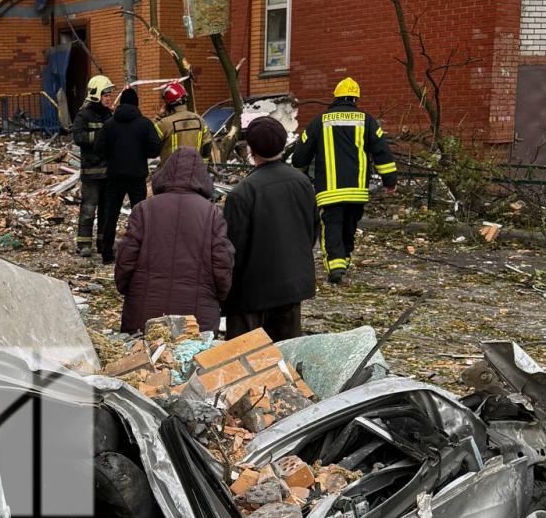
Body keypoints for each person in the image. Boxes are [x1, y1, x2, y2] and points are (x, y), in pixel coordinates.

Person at [113, 145, 233, 334]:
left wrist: (127, 289)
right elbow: (222, 263)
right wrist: (218, 296)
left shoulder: (144, 209)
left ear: (165, 174)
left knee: (141, 361)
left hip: (144, 313)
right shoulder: (212, 214)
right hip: (196, 318)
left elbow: (126, 257)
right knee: (193, 361)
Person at [222, 114, 319, 342]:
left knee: (242, 361)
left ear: (251, 150)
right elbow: (312, 230)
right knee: (285, 360)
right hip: (292, 286)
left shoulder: (242, 193)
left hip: (250, 294)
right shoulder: (302, 183)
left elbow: (232, 248)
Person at [293, 77, 397, 285]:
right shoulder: (367, 121)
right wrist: (390, 181)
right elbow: (382, 152)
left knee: (331, 226)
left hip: (329, 192)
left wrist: (299, 175)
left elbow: (301, 154)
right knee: (349, 226)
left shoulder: (321, 121)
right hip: (356, 191)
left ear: (336, 97)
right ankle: (344, 260)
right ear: (355, 98)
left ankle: (336, 266)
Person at [93, 86, 161, 264]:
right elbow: (155, 149)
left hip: (114, 176)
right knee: (139, 216)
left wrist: (112, 156)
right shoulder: (145, 124)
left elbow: (99, 149)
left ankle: (107, 253)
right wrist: (140, 152)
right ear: (136, 104)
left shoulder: (109, 124)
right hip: (137, 176)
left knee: (111, 215)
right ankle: (140, 253)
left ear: (121, 103)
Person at [69, 74, 115, 256]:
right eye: (106, 94)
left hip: (108, 172)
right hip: (91, 172)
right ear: (96, 95)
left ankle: (103, 243)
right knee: (88, 210)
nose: (109, 98)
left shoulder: (109, 115)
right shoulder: (83, 115)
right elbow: (78, 137)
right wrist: (101, 137)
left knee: (105, 210)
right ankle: (84, 244)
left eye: (109, 94)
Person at [156, 79, 211, 159]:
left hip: (171, 170)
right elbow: (207, 146)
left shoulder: (164, 123)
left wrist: (159, 116)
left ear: (167, 103)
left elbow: (151, 143)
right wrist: (202, 165)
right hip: (194, 169)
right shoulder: (200, 120)